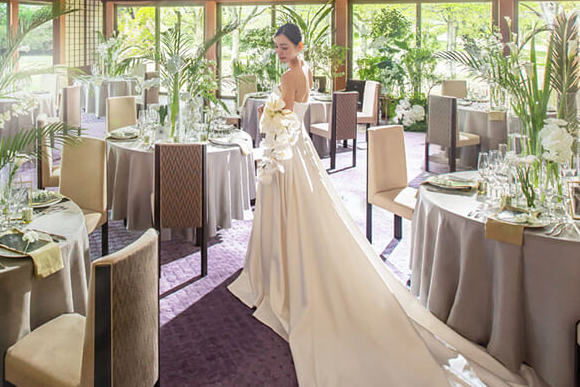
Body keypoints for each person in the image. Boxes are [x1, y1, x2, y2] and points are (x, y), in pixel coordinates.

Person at [228, 25, 539, 387]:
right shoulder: (306, 69)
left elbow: (281, 117)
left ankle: (279, 272)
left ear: (298, 46)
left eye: (284, 47)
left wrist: (265, 114)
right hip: (300, 148)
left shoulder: (288, 75)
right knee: (304, 211)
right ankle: (286, 260)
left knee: (288, 209)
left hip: (287, 150)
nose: (280, 52)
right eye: (277, 47)